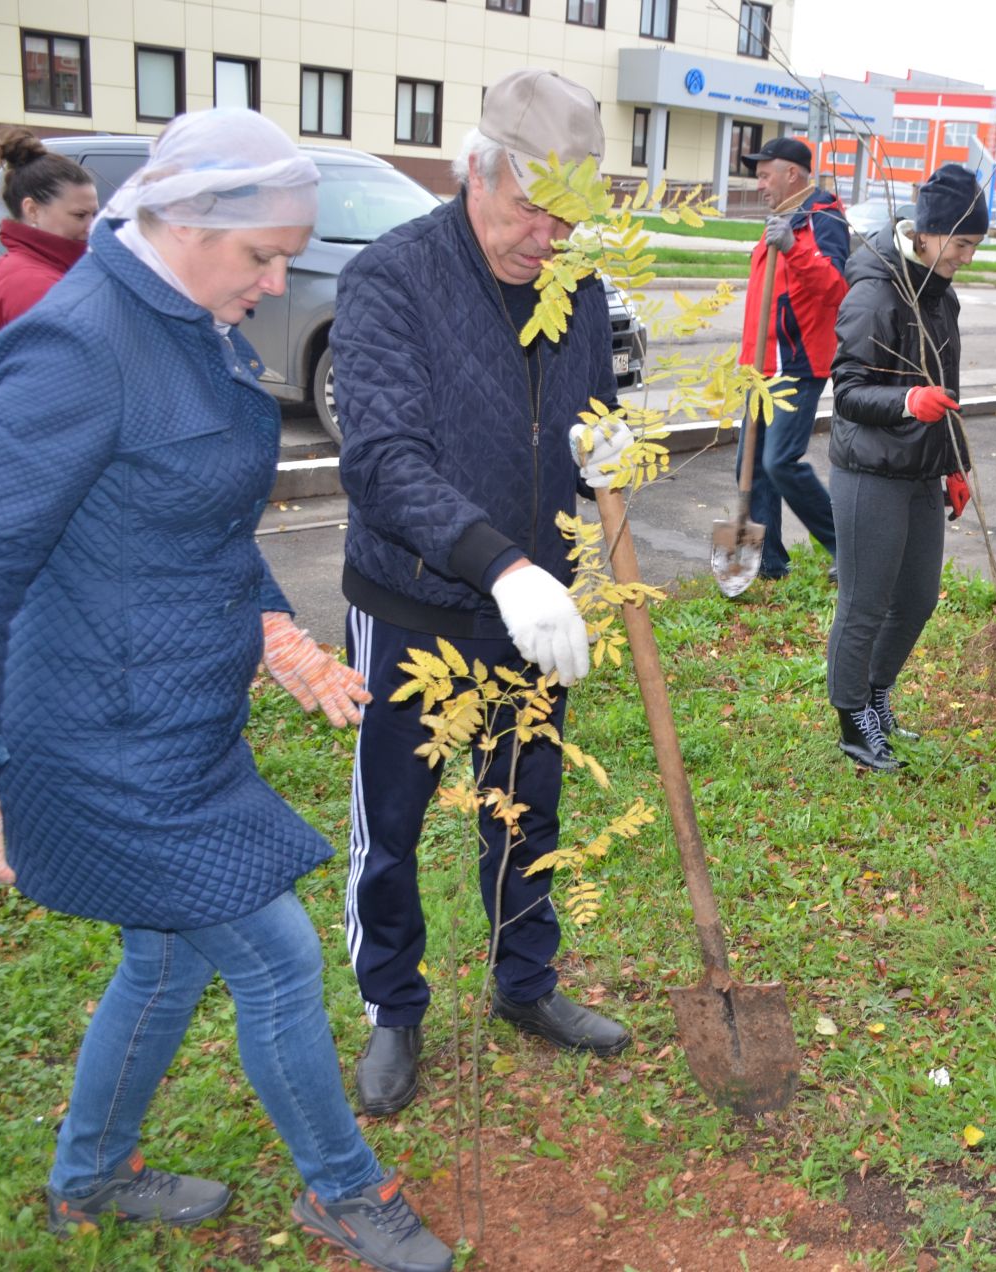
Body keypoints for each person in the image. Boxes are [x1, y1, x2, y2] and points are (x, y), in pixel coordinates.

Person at [0, 110, 451, 1272]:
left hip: (177, 713)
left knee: (163, 956)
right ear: (178, 224)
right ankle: (345, 1189)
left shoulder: (186, 316)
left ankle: (90, 1176)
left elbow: (188, 500)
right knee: (273, 954)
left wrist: (274, 624)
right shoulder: (84, 344)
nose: (274, 284)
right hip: (96, 731)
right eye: (263, 254)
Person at [331, 68, 633, 1119]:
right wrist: (501, 565)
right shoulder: (392, 279)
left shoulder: (577, 284)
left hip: (535, 610)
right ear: (477, 168)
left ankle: (525, 984)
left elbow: (589, 406)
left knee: (528, 802)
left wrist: (608, 443)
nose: (545, 237)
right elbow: (381, 459)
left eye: (568, 216)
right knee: (396, 817)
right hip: (417, 602)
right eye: (528, 209)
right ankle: (394, 1007)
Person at [825, 164, 985, 771]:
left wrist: (954, 464)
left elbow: (948, 388)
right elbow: (848, 393)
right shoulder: (875, 291)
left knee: (916, 599)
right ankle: (851, 719)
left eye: (974, 246)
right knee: (865, 603)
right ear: (925, 232)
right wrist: (906, 402)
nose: (966, 257)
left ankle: (876, 692)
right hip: (869, 471)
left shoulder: (940, 297)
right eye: (961, 243)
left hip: (921, 469)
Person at [737, 136, 848, 582]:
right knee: (752, 467)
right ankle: (767, 563)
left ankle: (847, 545)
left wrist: (794, 247)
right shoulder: (783, 219)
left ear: (792, 174)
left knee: (778, 461)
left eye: (766, 174)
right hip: (761, 367)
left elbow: (838, 288)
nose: (760, 183)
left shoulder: (822, 220)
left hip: (796, 363)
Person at [0, 128, 97, 342]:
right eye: (79, 215)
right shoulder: (32, 284)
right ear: (32, 210)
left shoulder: (36, 266)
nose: (91, 226)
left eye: (93, 215)